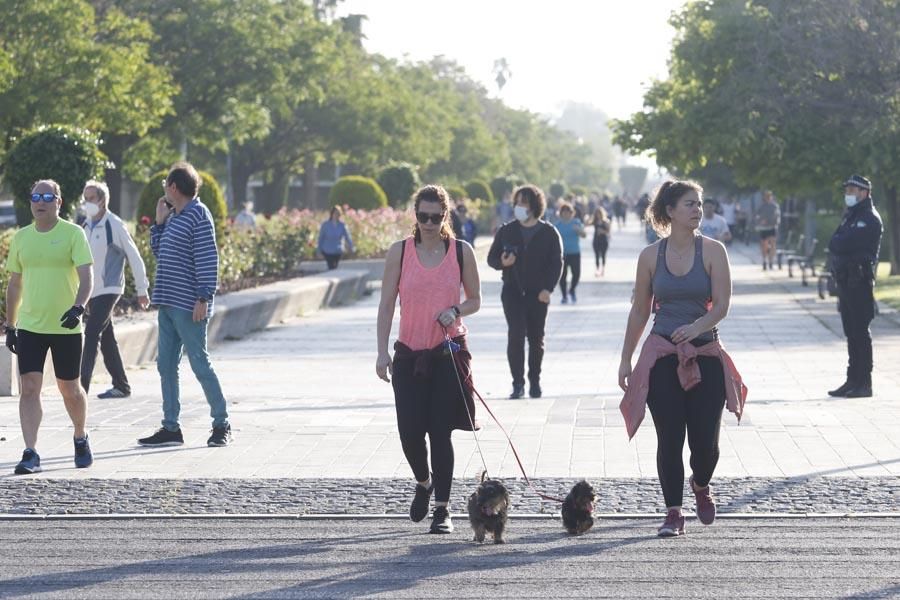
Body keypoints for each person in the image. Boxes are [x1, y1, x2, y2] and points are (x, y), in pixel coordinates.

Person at [618, 180, 746, 538]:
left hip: (704, 354)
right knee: (669, 437)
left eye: (700, 204)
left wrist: (696, 327)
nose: (698, 210)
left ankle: (701, 483)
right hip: (661, 357)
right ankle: (673, 511)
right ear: (670, 210)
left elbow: (721, 306)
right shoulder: (649, 256)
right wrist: (626, 358)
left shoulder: (714, 251)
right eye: (690, 204)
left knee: (706, 444)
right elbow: (640, 311)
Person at [376, 184, 481, 535]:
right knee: (409, 432)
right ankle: (424, 482)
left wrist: (455, 309)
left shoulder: (461, 252)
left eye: (436, 217)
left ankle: (443, 510)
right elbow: (387, 304)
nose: (430, 223)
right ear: (415, 216)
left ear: (446, 216)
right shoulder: (400, 253)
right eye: (423, 216)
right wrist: (381, 352)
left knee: (440, 432)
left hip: (445, 354)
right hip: (408, 354)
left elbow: (475, 301)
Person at [137, 162, 232, 448]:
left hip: (189, 305)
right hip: (167, 301)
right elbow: (159, 251)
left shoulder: (198, 214)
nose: (164, 189)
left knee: (200, 364)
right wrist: (159, 221)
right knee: (165, 365)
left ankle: (221, 423)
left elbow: (207, 258)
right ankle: (170, 428)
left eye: (166, 184)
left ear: (174, 187)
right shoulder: (175, 216)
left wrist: (204, 297)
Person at [4, 179, 94, 474]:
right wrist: (11, 325)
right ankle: (30, 452)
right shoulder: (22, 238)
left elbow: (86, 277)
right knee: (29, 388)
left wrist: (78, 308)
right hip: (31, 326)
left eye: (47, 196)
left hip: (66, 325)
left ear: (59, 202)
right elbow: (15, 284)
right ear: (30, 202)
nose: (40, 201)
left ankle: (80, 436)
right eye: (35, 197)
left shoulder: (73, 234)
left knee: (69, 388)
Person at [487, 185, 563, 399]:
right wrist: (502, 263)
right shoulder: (507, 230)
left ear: (535, 205)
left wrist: (548, 289)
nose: (520, 206)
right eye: (518, 202)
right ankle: (517, 384)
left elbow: (556, 264)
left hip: (539, 294)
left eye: (525, 202)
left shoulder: (548, 233)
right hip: (512, 292)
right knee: (516, 335)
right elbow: (492, 259)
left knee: (536, 338)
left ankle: (535, 381)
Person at [79, 180, 150, 399]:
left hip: (110, 289)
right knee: (107, 337)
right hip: (91, 291)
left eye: (90, 198)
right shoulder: (84, 227)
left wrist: (142, 289)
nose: (86, 202)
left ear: (102, 200)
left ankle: (81, 390)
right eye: (85, 198)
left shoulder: (114, 224)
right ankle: (121, 385)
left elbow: (134, 257)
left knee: (91, 334)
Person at [827, 175, 883, 398]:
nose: (848, 193)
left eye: (852, 189)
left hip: (859, 282)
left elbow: (844, 243)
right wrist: (841, 243)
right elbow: (834, 242)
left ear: (864, 192)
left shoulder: (869, 218)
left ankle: (864, 382)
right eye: (847, 189)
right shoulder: (852, 216)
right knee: (851, 332)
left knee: (860, 332)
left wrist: (842, 243)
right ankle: (852, 379)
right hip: (846, 281)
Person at [554, 202, 585, 304]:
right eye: (564, 212)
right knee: (562, 275)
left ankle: (571, 290)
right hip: (562, 254)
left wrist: (579, 230)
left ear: (572, 213)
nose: (566, 214)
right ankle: (564, 296)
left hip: (575, 253)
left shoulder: (576, 222)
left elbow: (584, 235)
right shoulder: (557, 225)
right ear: (561, 213)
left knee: (576, 274)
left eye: (568, 212)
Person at [317, 206, 355, 270]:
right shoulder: (325, 225)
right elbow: (321, 238)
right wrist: (319, 250)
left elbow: (347, 237)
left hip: (338, 250)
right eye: (335, 213)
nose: (336, 215)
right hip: (327, 250)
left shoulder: (342, 225)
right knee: (331, 266)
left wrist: (351, 247)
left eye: (338, 214)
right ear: (332, 214)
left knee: (335, 267)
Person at [755, 190, 780, 270]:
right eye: (766, 196)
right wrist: (760, 220)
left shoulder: (775, 206)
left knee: (773, 244)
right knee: (764, 245)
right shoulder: (762, 206)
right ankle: (764, 260)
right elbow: (756, 216)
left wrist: (775, 221)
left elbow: (778, 216)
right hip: (764, 228)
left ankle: (771, 261)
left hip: (772, 227)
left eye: (769, 196)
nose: (768, 198)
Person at [592, 206, 612, 277]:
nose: (598, 215)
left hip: (604, 241)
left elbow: (608, 231)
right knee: (597, 255)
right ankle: (597, 269)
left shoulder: (606, 221)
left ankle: (603, 269)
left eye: (599, 213)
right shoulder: (595, 221)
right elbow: (586, 224)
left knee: (603, 255)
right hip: (596, 241)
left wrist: (602, 231)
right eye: (597, 214)